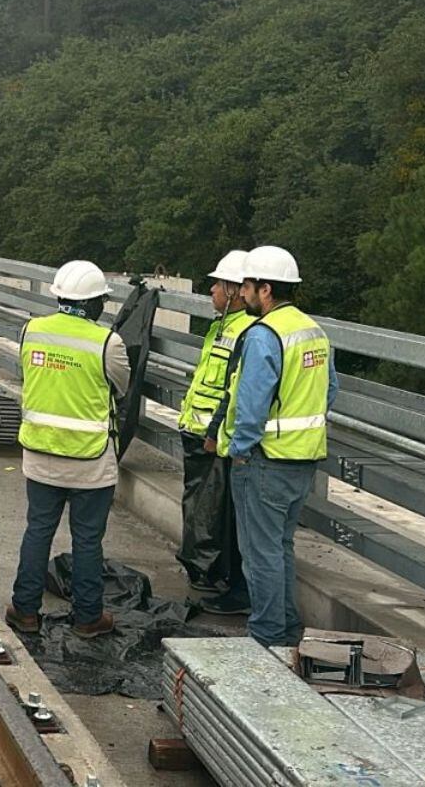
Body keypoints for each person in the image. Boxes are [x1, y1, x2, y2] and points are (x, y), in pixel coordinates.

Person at [214, 245, 336, 647]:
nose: (243, 293)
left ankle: (266, 637)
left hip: (264, 460)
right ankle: (285, 630)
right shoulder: (314, 332)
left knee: (260, 554)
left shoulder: (265, 335)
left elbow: (250, 405)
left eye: (247, 285)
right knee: (280, 547)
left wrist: (238, 448)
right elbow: (329, 391)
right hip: (303, 460)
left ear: (265, 289)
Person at [6, 260, 131, 640]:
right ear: (94, 303)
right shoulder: (108, 342)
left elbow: (28, 376)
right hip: (91, 463)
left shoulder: (31, 331)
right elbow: (120, 388)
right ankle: (87, 617)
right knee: (88, 540)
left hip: (41, 456)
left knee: (38, 531)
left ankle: (25, 611)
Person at [177, 250, 253, 608]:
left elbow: (233, 390)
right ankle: (203, 568)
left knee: (215, 512)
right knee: (199, 508)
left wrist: (214, 431)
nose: (211, 290)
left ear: (235, 290)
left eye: (217, 284)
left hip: (215, 438)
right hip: (197, 431)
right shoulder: (219, 326)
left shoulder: (246, 331)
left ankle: (216, 574)